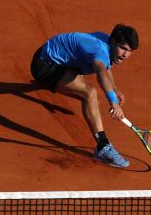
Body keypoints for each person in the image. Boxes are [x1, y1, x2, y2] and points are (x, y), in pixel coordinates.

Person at [29, 24, 139, 168]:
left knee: (82, 76)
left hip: (53, 55)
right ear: (113, 42)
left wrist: (115, 88)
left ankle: (62, 82)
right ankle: (102, 147)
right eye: (123, 48)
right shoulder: (99, 51)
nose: (125, 55)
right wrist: (113, 102)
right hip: (44, 66)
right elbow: (101, 72)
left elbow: (106, 67)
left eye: (130, 51)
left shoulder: (106, 42)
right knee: (89, 93)